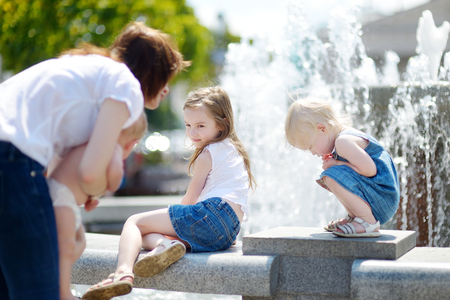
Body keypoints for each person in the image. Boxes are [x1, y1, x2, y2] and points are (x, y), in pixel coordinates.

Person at [0, 21, 187, 300]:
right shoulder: (126, 84)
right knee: (39, 292)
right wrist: (94, 187)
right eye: (168, 77)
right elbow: (89, 172)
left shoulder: (86, 69)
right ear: (154, 70)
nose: (167, 90)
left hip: (12, 158)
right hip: (12, 161)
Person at [82, 86, 256, 300]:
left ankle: (122, 273)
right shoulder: (234, 150)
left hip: (210, 214)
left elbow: (189, 202)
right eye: (188, 125)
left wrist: (174, 218)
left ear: (222, 124)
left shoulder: (208, 154)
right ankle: (166, 244)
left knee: (134, 223)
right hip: (228, 232)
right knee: (146, 237)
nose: (192, 133)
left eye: (200, 126)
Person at [47, 112, 147, 300]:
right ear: (130, 144)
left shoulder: (85, 147)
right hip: (62, 203)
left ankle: (60, 286)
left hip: (61, 199)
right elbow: (116, 178)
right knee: (66, 248)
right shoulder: (114, 149)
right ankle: (63, 293)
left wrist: (90, 194)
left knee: (78, 243)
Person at [285, 97, 400, 238]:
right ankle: (356, 217)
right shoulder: (343, 140)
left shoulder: (343, 141)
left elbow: (370, 170)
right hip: (380, 198)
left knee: (331, 175)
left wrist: (337, 164)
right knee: (333, 175)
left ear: (322, 128)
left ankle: (367, 222)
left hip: (383, 198)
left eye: (310, 147)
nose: (313, 153)